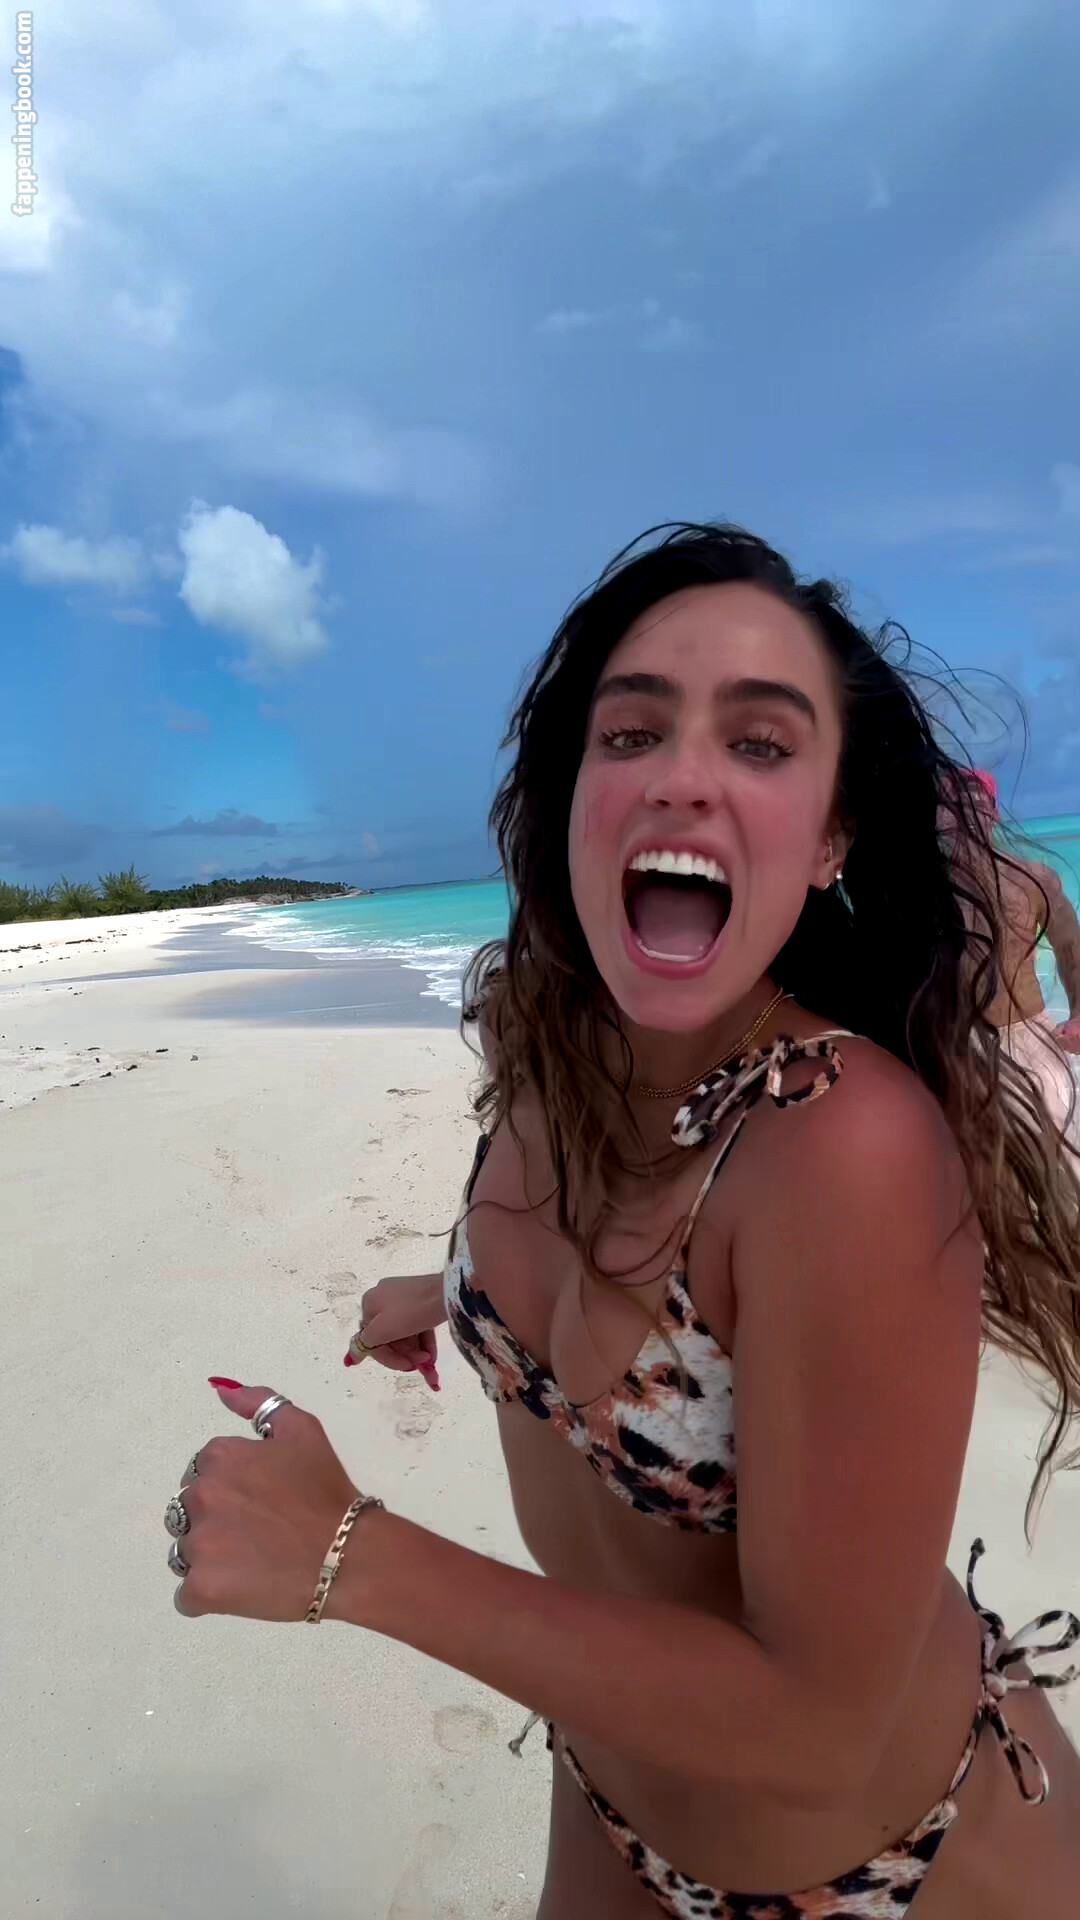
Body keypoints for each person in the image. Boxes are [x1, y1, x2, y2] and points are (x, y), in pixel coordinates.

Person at [166, 524, 1080, 1918]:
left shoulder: (845, 1147)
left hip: (888, 1860)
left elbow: (820, 1725)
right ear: (572, 794)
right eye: (632, 732)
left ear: (831, 834)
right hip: (608, 1782)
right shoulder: (551, 1038)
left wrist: (349, 1552)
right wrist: (454, 1292)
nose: (682, 777)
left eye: (761, 744)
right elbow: (627, 1285)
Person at [951, 767, 1080, 1143]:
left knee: (1059, 1157)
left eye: (977, 797)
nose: (967, 807)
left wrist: (1078, 1014)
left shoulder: (1032, 878)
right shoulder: (923, 895)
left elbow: (1071, 949)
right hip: (955, 1045)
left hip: (1030, 1040)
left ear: (993, 812)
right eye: (956, 799)